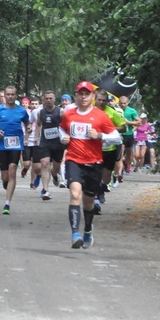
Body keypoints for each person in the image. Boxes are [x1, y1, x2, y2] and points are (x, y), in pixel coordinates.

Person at [59, 81, 121, 249]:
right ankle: (75, 234)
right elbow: (62, 129)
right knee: (75, 194)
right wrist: (63, 138)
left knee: (88, 202)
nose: (84, 96)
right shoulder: (69, 114)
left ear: (93, 96)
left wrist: (100, 136)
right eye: (81, 93)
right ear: (76, 95)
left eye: (87, 94)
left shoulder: (101, 116)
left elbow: (117, 137)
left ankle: (87, 229)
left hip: (94, 163)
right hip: (74, 160)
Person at [0, 85, 30, 215]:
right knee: (5, 176)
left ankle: (7, 203)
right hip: (2, 145)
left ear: (16, 96)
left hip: (16, 145)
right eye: (8, 94)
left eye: (12, 95)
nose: (10, 97)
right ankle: (6, 183)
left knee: (12, 171)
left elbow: (27, 123)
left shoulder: (21, 110)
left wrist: (28, 129)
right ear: (5, 96)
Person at [94, 89, 127, 204]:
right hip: (94, 148)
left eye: (104, 100)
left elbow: (124, 127)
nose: (101, 103)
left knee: (106, 175)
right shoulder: (90, 111)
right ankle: (97, 195)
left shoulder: (112, 112)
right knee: (96, 172)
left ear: (107, 101)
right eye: (99, 100)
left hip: (110, 148)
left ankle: (101, 190)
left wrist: (111, 129)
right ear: (95, 99)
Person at [32, 90, 65, 201]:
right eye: (46, 98)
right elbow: (38, 125)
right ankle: (46, 190)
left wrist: (66, 137)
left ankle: (55, 175)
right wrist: (36, 137)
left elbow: (66, 125)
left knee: (56, 167)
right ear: (43, 100)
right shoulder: (40, 112)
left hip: (58, 143)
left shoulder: (60, 112)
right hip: (45, 142)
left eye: (51, 98)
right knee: (44, 163)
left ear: (54, 99)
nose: (49, 100)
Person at [118, 95, 140, 178]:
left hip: (129, 134)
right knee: (120, 153)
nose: (123, 105)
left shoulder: (132, 111)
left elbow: (139, 122)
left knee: (129, 153)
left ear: (127, 103)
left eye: (124, 103)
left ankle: (127, 164)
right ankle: (120, 173)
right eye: (121, 103)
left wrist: (128, 122)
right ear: (119, 103)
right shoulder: (117, 110)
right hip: (120, 135)